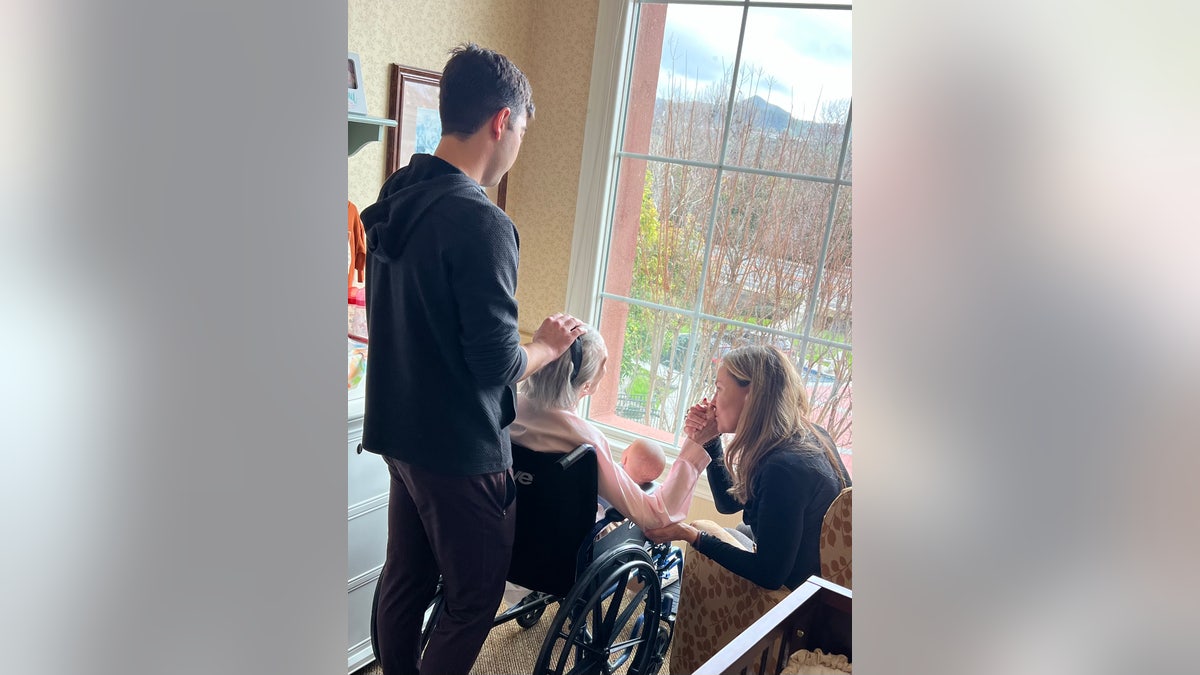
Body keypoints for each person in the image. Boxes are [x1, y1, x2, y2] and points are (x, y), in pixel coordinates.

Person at [358, 43, 583, 675]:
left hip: (399, 432)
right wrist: (546, 344)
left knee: (404, 582)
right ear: (501, 121)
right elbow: (493, 365)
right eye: (521, 134)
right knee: (473, 597)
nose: (517, 149)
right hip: (460, 450)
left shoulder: (399, 192)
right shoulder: (480, 222)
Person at [645, 344, 851, 590]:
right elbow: (729, 503)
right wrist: (711, 440)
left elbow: (769, 575)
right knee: (741, 528)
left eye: (719, 389)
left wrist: (690, 535)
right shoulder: (808, 435)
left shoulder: (783, 469)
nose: (712, 402)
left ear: (751, 395)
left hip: (800, 599)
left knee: (703, 530)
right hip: (821, 573)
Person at [508, 324, 712, 530]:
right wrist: (695, 444)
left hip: (502, 543)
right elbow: (656, 516)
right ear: (587, 386)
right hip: (557, 554)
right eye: (603, 364)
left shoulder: (504, 410)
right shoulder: (584, 442)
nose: (606, 369)